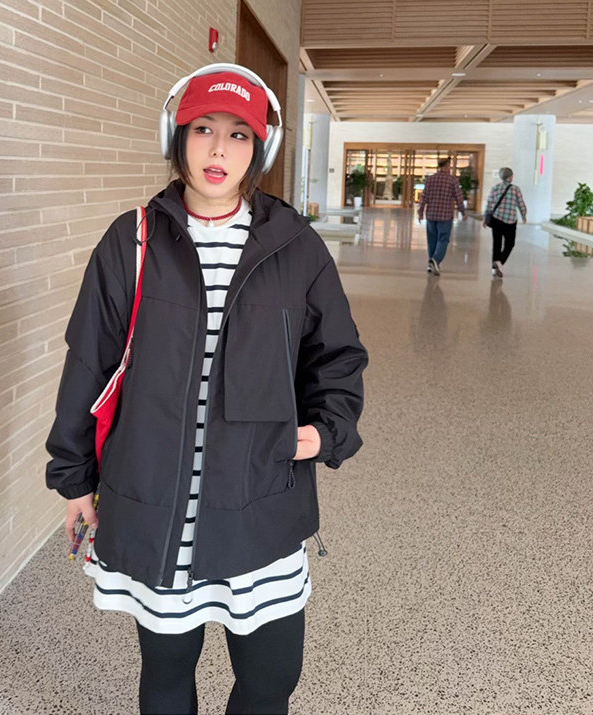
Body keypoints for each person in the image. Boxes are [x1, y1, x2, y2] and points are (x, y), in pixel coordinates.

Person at [45, 63, 367, 715]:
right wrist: (74, 477)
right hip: (162, 507)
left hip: (260, 501)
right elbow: (89, 363)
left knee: (271, 678)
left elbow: (336, 356)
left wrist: (326, 431)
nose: (219, 149)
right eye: (202, 129)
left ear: (260, 149)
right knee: (166, 676)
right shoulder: (132, 240)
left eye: (239, 134)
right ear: (177, 135)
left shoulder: (296, 247)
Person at [417, 157, 467, 275]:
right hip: (445, 216)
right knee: (443, 239)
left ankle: (431, 265)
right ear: (447, 165)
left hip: (431, 215)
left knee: (432, 240)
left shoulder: (430, 179)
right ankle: (435, 260)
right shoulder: (452, 180)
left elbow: (423, 197)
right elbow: (459, 198)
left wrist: (420, 211)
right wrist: (463, 212)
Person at [482, 167, 527, 277]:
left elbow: (489, 204)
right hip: (510, 220)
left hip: (496, 219)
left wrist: (485, 218)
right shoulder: (515, 189)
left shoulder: (495, 188)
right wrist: (524, 215)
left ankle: (495, 268)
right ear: (510, 177)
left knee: (496, 244)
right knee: (510, 244)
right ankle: (500, 262)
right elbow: (521, 204)